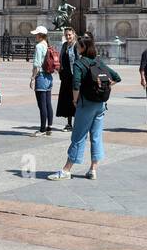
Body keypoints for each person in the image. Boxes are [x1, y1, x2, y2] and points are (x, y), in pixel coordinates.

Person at [47, 33, 122, 181]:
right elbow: (117, 77)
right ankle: (93, 169)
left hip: (86, 103)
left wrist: (75, 100)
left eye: (79, 46)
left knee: (78, 136)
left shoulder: (79, 63)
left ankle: (67, 169)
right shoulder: (98, 61)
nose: (77, 48)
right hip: (100, 104)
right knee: (96, 136)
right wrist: (102, 87)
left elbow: (76, 84)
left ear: (82, 48)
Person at [30, 26, 56, 136]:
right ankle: (49, 127)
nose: (35, 36)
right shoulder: (49, 46)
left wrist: (32, 78)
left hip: (41, 76)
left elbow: (36, 64)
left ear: (40, 35)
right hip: (49, 77)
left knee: (42, 105)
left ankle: (42, 129)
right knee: (48, 103)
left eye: (36, 34)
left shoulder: (39, 46)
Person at [56, 27, 78, 132]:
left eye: (69, 34)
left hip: (74, 76)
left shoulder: (76, 46)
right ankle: (69, 124)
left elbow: (78, 61)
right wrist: (60, 70)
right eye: (66, 35)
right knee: (67, 100)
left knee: (75, 100)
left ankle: (78, 123)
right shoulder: (64, 45)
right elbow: (61, 59)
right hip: (65, 76)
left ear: (73, 34)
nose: (68, 36)